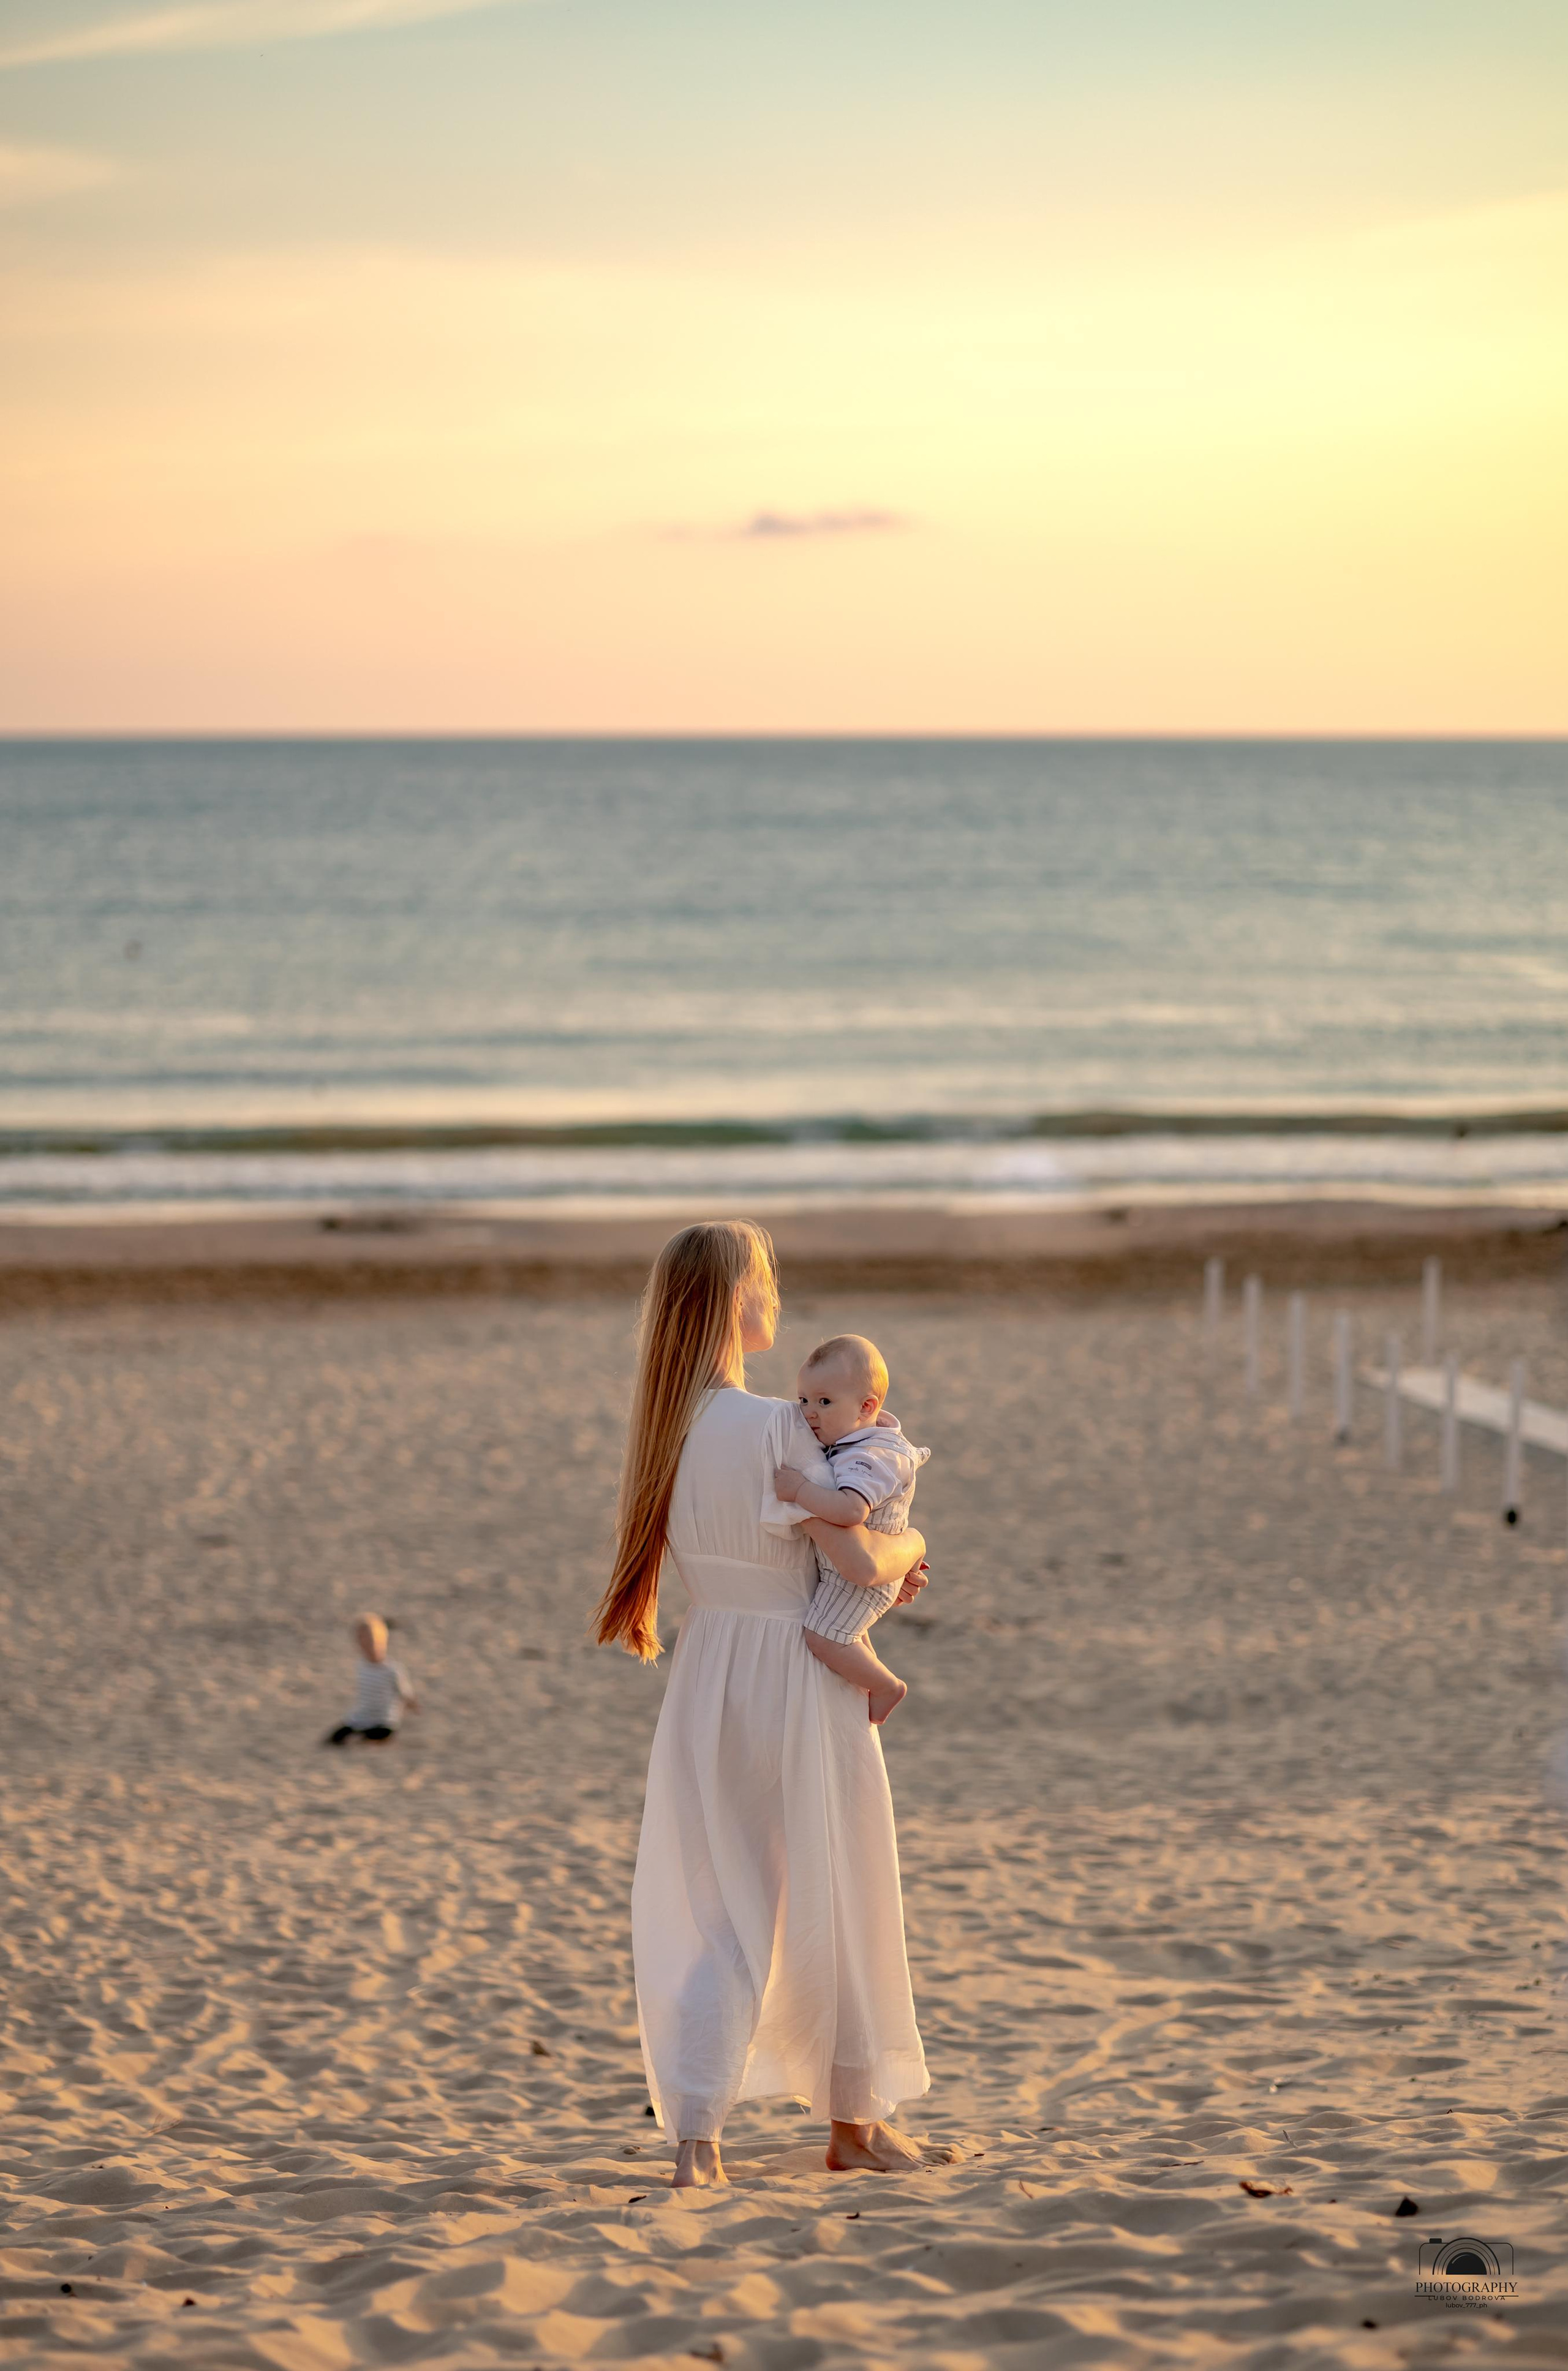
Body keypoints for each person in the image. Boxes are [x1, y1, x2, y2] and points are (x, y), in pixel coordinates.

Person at [595, 1220, 932, 2190]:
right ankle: (853, 2120)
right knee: (838, 1884)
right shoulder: (781, 1425)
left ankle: (699, 2135)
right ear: (738, 1297)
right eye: (767, 1278)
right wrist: (913, 1553)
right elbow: (864, 1555)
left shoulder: (673, 1428)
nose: (777, 1295)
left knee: (722, 1897)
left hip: (712, 1669)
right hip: (794, 1669)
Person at [763, 1332, 927, 1727]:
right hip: (852, 1574)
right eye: (803, 1400)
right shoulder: (857, 1439)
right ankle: (869, 1683)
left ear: (866, 1407)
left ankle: (887, 1686)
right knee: (845, 1635)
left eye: (824, 1402)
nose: (809, 1413)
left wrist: (800, 1491)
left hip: (860, 1578)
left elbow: (852, 1510)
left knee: (823, 1638)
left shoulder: (870, 1457)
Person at [323, 1613, 417, 1745]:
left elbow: (405, 1692)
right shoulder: (362, 1666)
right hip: (362, 1718)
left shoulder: (392, 1669)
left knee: (369, 1740)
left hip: (384, 1721)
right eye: (363, 1641)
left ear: (383, 1642)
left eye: (372, 1641)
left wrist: (411, 1704)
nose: (368, 1646)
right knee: (335, 1739)